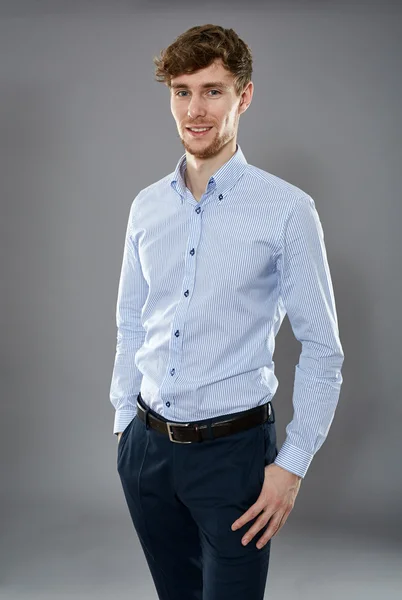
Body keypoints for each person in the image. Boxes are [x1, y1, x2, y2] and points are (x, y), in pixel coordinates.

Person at [109, 23, 344, 600]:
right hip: (145, 453)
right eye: (182, 91)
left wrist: (292, 465)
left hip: (233, 461)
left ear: (244, 96)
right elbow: (131, 323)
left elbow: (321, 348)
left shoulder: (287, 210)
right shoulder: (146, 207)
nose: (196, 109)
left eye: (213, 90)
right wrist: (123, 427)